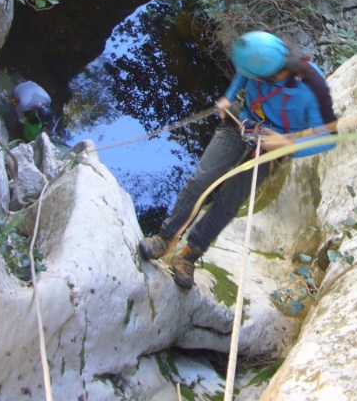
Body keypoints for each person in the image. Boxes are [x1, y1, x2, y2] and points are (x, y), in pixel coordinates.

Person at [139, 30, 337, 290]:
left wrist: (288, 144)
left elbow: (327, 138)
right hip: (242, 125)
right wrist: (229, 97)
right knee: (202, 178)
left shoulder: (314, 88)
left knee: (229, 201)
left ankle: (189, 255)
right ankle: (165, 239)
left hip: (272, 149)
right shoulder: (262, 58)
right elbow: (244, 73)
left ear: (273, 72)